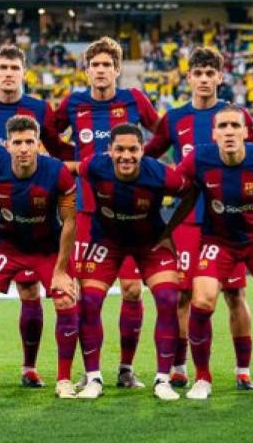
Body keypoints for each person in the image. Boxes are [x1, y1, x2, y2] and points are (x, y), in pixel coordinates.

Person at [0, 45, 72, 388]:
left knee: (30, 291)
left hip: (31, 203)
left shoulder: (38, 108)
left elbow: (56, 146)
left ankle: (29, 367)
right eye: (2, 67)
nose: (8, 73)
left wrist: (87, 161)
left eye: (14, 67)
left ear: (24, 72)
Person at [144, 47, 253, 391]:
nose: (205, 79)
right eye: (199, 73)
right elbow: (147, 157)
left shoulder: (237, 117)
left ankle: (243, 371)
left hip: (230, 222)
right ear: (189, 77)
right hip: (188, 222)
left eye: (211, 73)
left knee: (234, 294)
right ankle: (180, 367)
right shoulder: (175, 119)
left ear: (220, 77)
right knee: (183, 296)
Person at [163, 104, 253, 401]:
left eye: (235, 126)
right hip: (218, 241)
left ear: (246, 132)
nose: (229, 132)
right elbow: (170, 183)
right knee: (202, 300)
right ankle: (202, 378)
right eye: (222, 126)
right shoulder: (199, 157)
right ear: (213, 134)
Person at [51, 36, 160, 389]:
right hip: (88, 212)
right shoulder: (74, 103)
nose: (100, 71)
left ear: (117, 70)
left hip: (130, 214)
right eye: (94, 65)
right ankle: (90, 371)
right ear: (87, 71)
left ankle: (126, 368)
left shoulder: (134, 100)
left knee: (132, 290)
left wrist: (146, 169)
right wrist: (75, 160)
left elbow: (160, 135)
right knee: (87, 294)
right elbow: (51, 137)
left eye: (106, 65)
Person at [74, 124, 189, 401]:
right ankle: (93, 378)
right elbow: (66, 172)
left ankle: (162, 380)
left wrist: (169, 232)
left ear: (142, 151)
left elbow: (191, 192)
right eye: (120, 149)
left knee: (167, 298)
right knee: (88, 301)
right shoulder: (94, 166)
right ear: (109, 151)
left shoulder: (160, 174)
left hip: (149, 243)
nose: (127, 156)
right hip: (107, 242)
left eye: (133, 149)